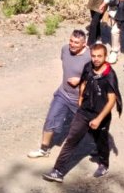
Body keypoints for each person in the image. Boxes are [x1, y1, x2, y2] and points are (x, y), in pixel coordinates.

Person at [42, 43, 122, 184]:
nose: (96, 59)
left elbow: (111, 101)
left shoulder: (109, 75)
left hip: (100, 115)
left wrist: (98, 119)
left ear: (105, 57)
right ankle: (57, 171)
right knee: (71, 140)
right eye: (93, 56)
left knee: (101, 140)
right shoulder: (88, 67)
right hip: (84, 112)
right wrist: (80, 99)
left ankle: (103, 164)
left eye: (99, 56)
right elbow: (84, 82)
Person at [27, 30, 88, 159]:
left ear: (84, 44)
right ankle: (44, 149)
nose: (72, 44)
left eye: (76, 42)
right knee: (51, 118)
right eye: (71, 41)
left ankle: (98, 147)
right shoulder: (65, 49)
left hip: (80, 99)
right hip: (63, 93)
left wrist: (80, 80)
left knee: (86, 126)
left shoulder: (89, 57)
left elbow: (97, 76)